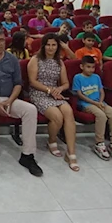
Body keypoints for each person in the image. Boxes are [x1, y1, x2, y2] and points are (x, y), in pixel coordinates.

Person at [0, 29, 43, 177]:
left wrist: (9, 101)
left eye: (1, 40)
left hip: (10, 99)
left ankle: (28, 155)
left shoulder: (12, 59)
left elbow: (18, 84)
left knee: (30, 109)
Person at [28, 34, 78, 168]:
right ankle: (52, 141)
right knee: (57, 117)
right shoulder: (35, 59)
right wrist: (49, 90)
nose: (51, 48)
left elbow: (66, 83)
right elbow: (32, 81)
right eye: (48, 45)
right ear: (43, 46)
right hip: (39, 93)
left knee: (68, 112)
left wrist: (59, 89)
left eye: (54, 45)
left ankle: (71, 153)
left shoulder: (59, 62)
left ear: (57, 47)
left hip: (55, 93)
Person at [72, 56, 112, 161]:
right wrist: (94, 103)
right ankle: (99, 143)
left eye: (93, 67)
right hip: (86, 104)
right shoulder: (78, 77)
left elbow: (101, 91)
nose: (91, 70)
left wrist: (100, 102)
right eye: (88, 67)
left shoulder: (96, 77)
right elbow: (79, 94)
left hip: (100, 102)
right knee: (101, 116)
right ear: (82, 66)